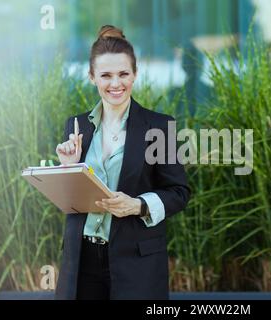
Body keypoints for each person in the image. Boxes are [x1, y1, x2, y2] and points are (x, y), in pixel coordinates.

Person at [54, 25, 190, 300]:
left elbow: (179, 193)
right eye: (106, 75)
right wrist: (68, 167)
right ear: (92, 77)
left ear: (135, 75)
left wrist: (137, 205)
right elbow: (70, 201)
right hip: (81, 262)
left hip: (135, 264)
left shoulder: (159, 127)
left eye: (123, 74)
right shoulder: (77, 125)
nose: (115, 84)